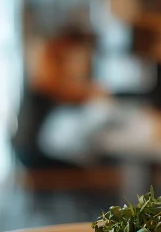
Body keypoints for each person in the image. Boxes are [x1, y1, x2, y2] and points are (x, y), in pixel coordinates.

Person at [13, 29, 104, 169]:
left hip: (37, 147)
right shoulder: (45, 62)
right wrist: (92, 92)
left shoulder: (50, 62)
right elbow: (59, 90)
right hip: (32, 150)